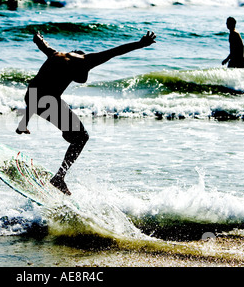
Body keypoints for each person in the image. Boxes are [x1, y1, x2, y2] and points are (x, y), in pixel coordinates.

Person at [16, 31, 156, 195]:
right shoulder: (82, 62)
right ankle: (59, 177)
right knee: (82, 137)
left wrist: (38, 39)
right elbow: (115, 51)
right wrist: (140, 44)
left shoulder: (56, 55)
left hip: (38, 97)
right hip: (44, 100)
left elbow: (42, 47)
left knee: (73, 130)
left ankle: (67, 138)